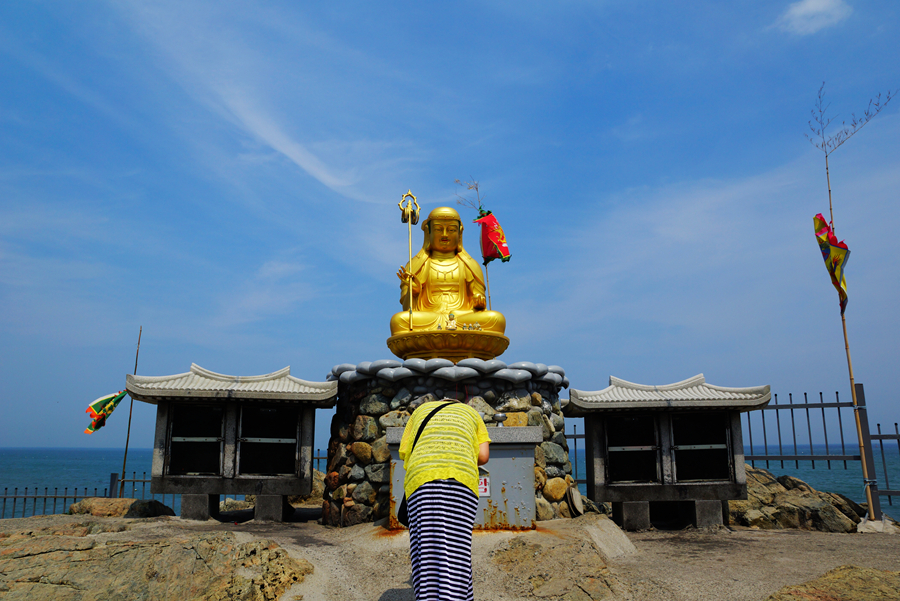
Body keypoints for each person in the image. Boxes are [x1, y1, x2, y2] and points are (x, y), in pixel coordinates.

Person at [399, 398, 491, 601]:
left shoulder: (420, 411)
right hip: (461, 479)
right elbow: (483, 456)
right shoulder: (472, 414)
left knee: (425, 550)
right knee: (458, 550)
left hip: (420, 479)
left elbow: (406, 451)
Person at [389, 206, 506, 335]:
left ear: (459, 233)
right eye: (439, 229)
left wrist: (479, 302)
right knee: (399, 320)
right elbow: (407, 310)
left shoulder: (470, 265)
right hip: (429, 318)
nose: (445, 235)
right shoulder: (416, 265)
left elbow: (479, 305)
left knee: (496, 318)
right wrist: (413, 292)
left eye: (451, 230)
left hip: (461, 318)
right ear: (428, 232)